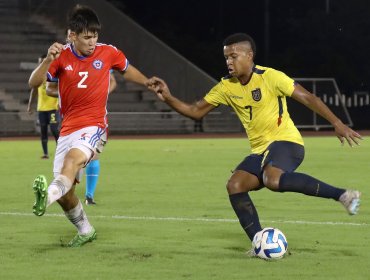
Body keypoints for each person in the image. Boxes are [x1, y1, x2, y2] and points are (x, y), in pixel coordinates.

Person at [147, 33, 362, 252]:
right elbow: (195, 111)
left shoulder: (270, 77)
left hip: (286, 142)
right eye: (226, 58)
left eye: (233, 56)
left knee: (272, 179)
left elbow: (308, 98)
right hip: (260, 152)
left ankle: (343, 195)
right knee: (235, 185)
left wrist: (337, 122)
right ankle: (258, 244)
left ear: (249, 56)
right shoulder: (226, 87)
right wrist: (168, 97)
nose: (229, 62)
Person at [28, 5, 154, 247]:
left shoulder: (108, 53)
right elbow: (33, 82)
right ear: (72, 35)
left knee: (71, 162)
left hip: (95, 126)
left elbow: (127, 70)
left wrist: (148, 82)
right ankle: (85, 229)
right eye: (87, 37)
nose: (93, 41)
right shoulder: (61, 56)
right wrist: (47, 60)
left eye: (95, 36)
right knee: (67, 194)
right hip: (67, 130)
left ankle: (46, 198)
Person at [46, 72, 117, 205]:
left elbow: (112, 81)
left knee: (93, 156)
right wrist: (70, 92)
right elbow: (49, 88)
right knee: (72, 158)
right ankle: (65, 189)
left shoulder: (101, 58)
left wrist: (100, 93)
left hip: (94, 120)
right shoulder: (64, 60)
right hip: (69, 117)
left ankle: (89, 195)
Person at [27, 54, 59, 159]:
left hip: (53, 108)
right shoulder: (38, 76)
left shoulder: (54, 74)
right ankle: (45, 154)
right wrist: (30, 105)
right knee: (43, 131)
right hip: (41, 109)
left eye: (42, 61)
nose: (40, 64)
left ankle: (60, 151)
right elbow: (34, 91)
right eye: (39, 62)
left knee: (54, 130)